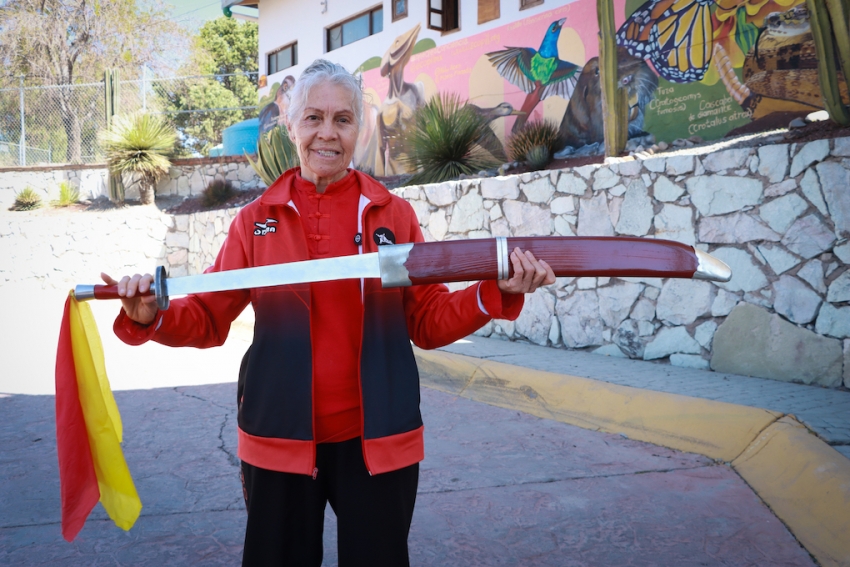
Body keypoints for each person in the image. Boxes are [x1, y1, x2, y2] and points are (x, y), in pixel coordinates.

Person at [103, 59, 555, 567]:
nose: (327, 133)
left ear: (359, 129)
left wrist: (493, 294)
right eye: (313, 118)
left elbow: (426, 320)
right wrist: (149, 316)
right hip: (279, 440)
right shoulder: (255, 223)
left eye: (342, 119)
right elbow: (208, 317)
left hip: (378, 441)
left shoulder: (393, 214)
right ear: (290, 125)